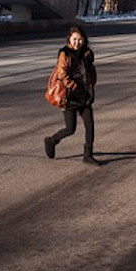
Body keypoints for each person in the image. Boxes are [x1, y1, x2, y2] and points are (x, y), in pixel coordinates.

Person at [44, 26, 103, 166]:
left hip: (85, 95)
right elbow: (62, 74)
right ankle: (51, 141)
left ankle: (88, 155)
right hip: (70, 96)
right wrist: (73, 86)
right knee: (70, 129)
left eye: (80, 39)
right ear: (69, 39)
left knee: (90, 126)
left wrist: (90, 85)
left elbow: (91, 72)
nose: (77, 42)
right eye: (74, 39)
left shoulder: (87, 54)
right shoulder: (65, 54)